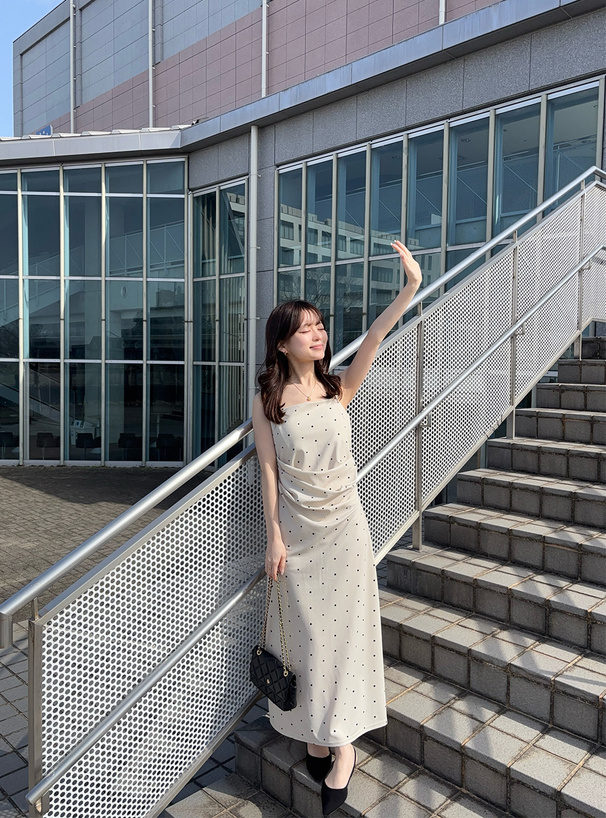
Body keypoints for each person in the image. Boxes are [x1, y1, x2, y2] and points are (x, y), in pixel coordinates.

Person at [252, 240, 422, 815]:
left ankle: (342, 748)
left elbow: (374, 337)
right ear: (282, 342)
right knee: (308, 638)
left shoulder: (337, 387)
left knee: (345, 636)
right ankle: (316, 732)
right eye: (306, 329)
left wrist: (409, 288)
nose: (318, 334)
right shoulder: (268, 399)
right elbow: (269, 473)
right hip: (298, 536)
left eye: (320, 326)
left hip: (346, 530)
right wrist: (273, 536)